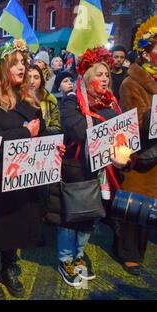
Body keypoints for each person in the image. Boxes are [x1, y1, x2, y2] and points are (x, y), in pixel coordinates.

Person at [0, 39, 47, 300]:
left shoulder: (30, 99)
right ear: (3, 66)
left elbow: (42, 132)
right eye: (15, 63)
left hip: (22, 177)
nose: (22, 67)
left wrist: (51, 148)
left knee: (16, 225)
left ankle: (8, 268)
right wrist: (24, 133)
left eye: (23, 62)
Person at [58, 47, 126, 287]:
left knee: (91, 217)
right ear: (87, 77)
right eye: (100, 74)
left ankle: (78, 255)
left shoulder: (113, 103)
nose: (105, 79)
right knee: (72, 218)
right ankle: (65, 259)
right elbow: (78, 132)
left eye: (107, 74)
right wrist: (110, 128)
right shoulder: (70, 102)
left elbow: (122, 134)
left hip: (101, 171)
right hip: (76, 168)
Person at [115, 16, 157, 276]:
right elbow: (136, 121)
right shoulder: (132, 83)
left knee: (151, 205)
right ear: (146, 52)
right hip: (143, 155)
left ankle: (137, 248)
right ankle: (129, 252)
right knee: (135, 206)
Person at [28, 64, 61, 134]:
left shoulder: (50, 100)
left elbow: (56, 127)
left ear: (41, 81)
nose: (32, 81)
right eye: (28, 77)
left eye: (36, 77)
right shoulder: (16, 100)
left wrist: (41, 131)